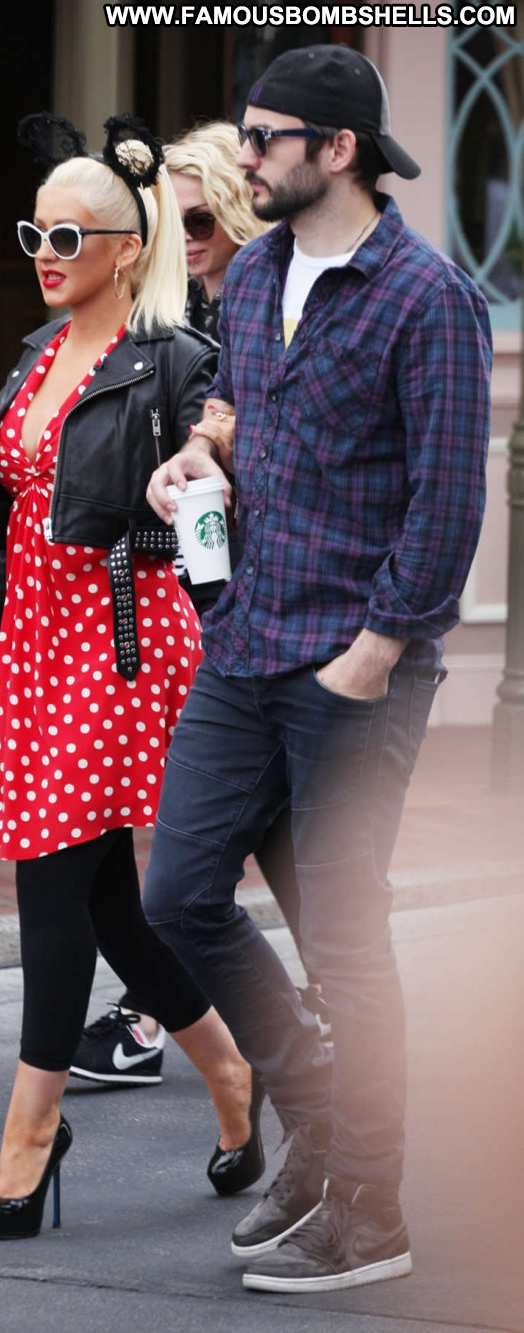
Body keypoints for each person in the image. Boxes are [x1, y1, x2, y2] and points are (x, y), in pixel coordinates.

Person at [143, 45, 492, 1294]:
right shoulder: (254, 281)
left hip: (355, 660)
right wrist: (198, 460)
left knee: (343, 934)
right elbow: (244, 423)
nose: (244, 157)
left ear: (336, 150)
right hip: (246, 638)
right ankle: (324, 1131)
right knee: (178, 894)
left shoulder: (426, 298)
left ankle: (372, 1208)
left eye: (264, 138)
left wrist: (377, 649)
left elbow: (445, 503)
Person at [0, 112, 259, 1240]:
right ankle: (231, 1071)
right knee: (110, 902)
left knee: (51, 886)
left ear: (127, 248)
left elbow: (215, 509)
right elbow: (7, 529)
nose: (45, 253)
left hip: (121, 642)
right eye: (36, 233)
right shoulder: (34, 355)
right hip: (34, 648)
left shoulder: (175, 361)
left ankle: (30, 1132)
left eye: (69, 236)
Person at [70, 121, 330, 1095]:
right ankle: (247, 1019)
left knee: (275, 832)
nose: (181, 240)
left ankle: (277, 1024)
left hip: (282, 607)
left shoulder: (272, 303)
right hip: (206, 599)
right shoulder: (181, 310)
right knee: (232, 835)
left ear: (234, 207)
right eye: (165, 224)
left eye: (196, 220)